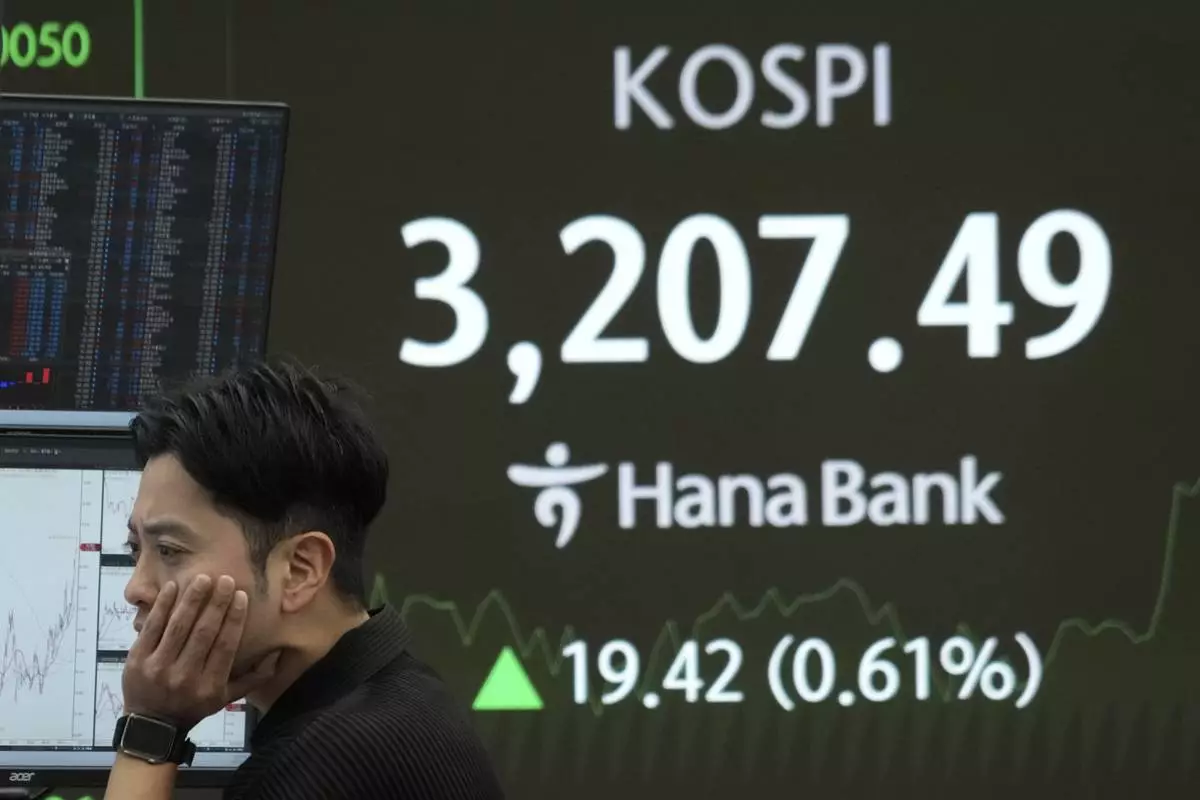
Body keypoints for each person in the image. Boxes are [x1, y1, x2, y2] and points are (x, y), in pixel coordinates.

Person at [105, 359, 505, 800]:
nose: (135, 589)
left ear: (300, 570)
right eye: (135, 549)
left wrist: (151, 725)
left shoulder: (325, 766)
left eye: (169, 550)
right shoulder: (399, 697)